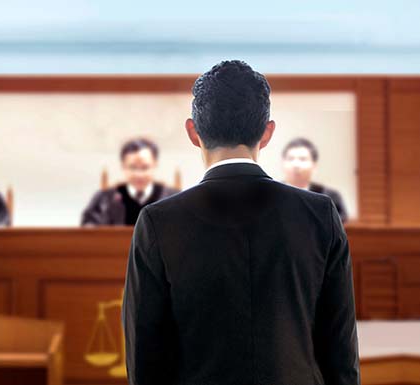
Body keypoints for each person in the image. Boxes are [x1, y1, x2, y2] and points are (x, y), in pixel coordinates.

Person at [122, 60, 359, 385]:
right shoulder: (319, 215)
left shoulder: (158, 223)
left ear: (193, 132)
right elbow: (340, 352)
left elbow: (145, 359)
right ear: (267, 132)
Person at [81, 138, 179, 226]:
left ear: (155, 165)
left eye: (145, 167)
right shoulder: (104, 198)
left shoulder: (173, 197)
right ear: (123, 166)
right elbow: (89, 231)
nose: (139, 174)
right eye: (132, 167)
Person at [282, 137, 349, 222]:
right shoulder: (273, 195)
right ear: (283, 163)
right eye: (290, 159)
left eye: (302, 159)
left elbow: (339, 225)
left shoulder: (330, 196)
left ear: (314, 165)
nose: (296, 164)